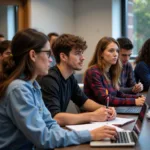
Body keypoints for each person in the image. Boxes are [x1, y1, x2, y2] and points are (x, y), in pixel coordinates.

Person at [0, 29, 117, 149]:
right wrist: (89, 135)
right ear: (33, 55)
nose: (51, 60)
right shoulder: (18, 89)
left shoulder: (33, 85)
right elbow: (43, 139)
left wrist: (87, 133)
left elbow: (50, 123)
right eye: (48, 54)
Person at [39, 34, 116, 127]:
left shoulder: (70, 77)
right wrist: (93, 116)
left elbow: (83, 101)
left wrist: (105, 109)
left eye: (82, 53)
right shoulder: (50, 79)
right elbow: (55, 117)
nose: (82, 57)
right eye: (77, 53)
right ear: (63, 57)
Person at [84, 36, 145, 106]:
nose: (116, 54)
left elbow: (117, 93)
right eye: (111, 51)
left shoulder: (110, 71)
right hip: (95, 113)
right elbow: (106, 99)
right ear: (101, 53)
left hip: (109, 111)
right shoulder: (93, 72)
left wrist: (138, 98)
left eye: (117, 51)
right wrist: (134, 101)